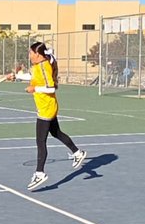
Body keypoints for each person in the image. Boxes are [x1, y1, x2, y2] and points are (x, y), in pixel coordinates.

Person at [7, 42, 87, 190]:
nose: (29, 56)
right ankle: (78, 152)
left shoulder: (44, 66)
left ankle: (40, 173)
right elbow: (32, 76)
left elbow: (51, 87)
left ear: (38, 54)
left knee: (40, 141)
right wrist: (16, 76)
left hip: (46, 108)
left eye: (31, 53)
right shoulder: (37, 66)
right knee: (56, 132)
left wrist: (34, 88)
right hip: (46, 106)